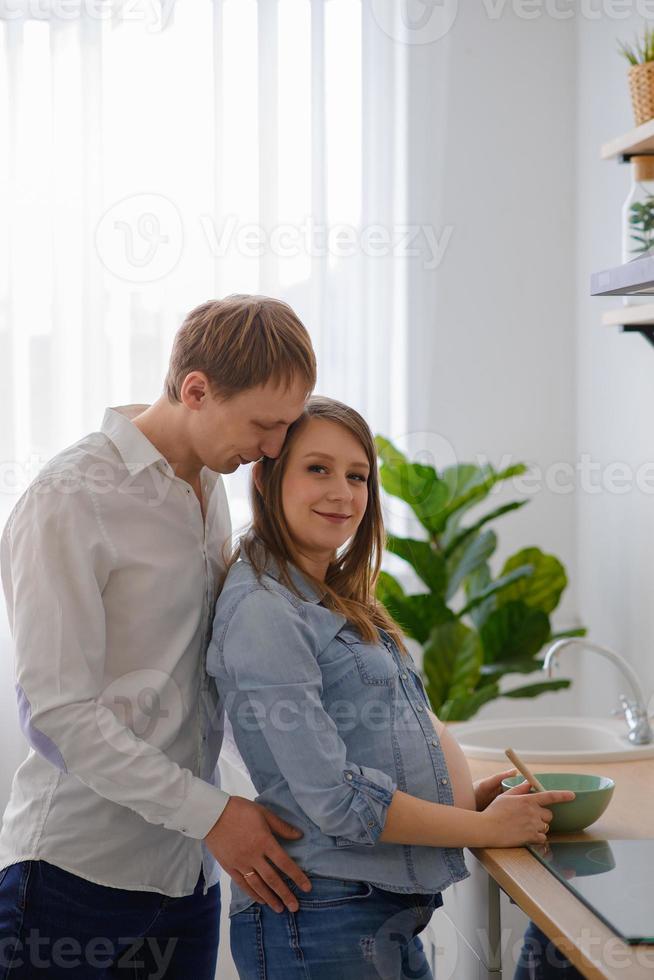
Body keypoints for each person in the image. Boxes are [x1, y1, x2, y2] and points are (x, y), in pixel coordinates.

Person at [0, 296, 317, 979]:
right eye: (263, 424)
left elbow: (201, 673)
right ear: (195, 389)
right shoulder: (70, 498)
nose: (272, 449)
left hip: (185, 881)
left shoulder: (211, 484)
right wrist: (212, 815)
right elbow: (56, 715)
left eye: (286, 427)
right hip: (72, 877)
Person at [206, 395, 576, 980]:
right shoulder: (266, 612)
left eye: (358, 476)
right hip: (322, 913)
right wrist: (482, 829)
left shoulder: (334, 598)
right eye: (318, 469)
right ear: (267, 476)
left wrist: (473, 797)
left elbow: (376, 741)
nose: (343, 492)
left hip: (373, 909)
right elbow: (335, 797)